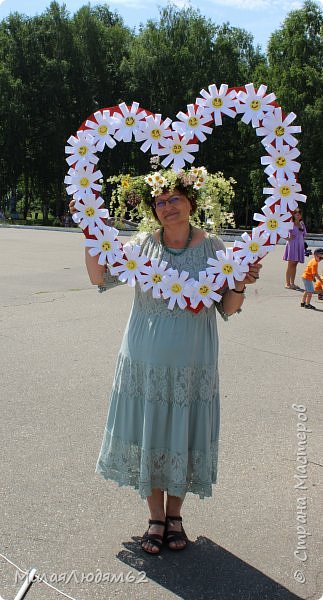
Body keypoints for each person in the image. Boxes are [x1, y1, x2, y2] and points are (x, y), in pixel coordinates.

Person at [69, 168, 262, 554]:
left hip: (194, 362)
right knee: (151, 434)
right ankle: (156, 518)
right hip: (144, 359)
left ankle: (176, 517)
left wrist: (240, 282)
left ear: (191, 202)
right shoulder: (142, 246)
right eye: (160, 201)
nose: (168, 207)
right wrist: (90, 230)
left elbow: (229, 307)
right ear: (152, 209)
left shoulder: (216, 250)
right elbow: (99, 277)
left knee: (182, 435)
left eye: (175, 198)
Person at [283, 208, 307, 289]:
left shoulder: (302, 223)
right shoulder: (290, 223)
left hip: (299, 245)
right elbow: (282, 232)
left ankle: (292, 283)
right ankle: (287, 283)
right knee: (290, 264)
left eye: (300, 214)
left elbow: (304, 234)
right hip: (292, 245)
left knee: (295, 264)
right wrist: (288, 238)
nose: (298, 215)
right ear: (293, 214)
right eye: (297, 213)